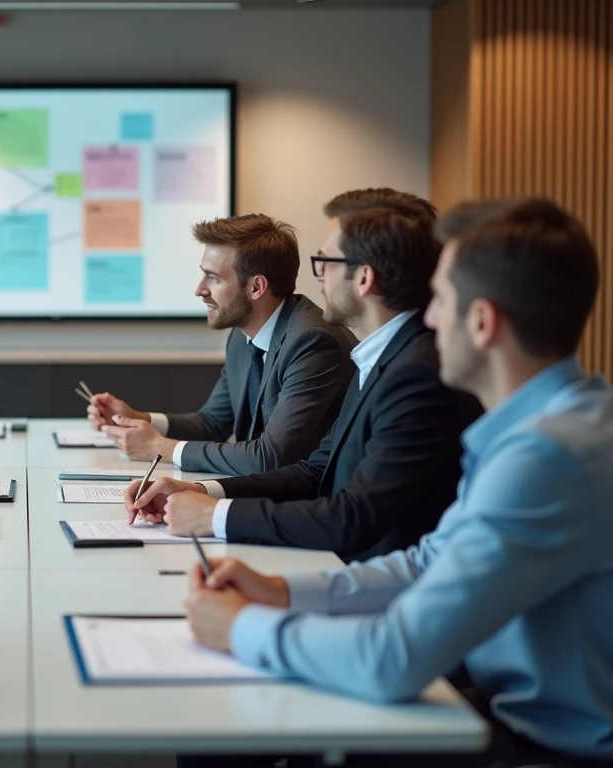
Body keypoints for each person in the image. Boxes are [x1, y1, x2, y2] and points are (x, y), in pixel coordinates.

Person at [183, 198, 613, 766]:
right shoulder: (563, 419)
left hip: (541, 744)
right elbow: (427, 561)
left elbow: (392, 658)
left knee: (239, 722)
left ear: (482, 322)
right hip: (503, 709)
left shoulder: (542, 457)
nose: (428, 320)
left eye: (442, 301)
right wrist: (283, 593)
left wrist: (243, 627)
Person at [127, 189, 479, 563]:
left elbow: (353, 516)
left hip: (376, 581)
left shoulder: (415, 372)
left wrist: (215, 515)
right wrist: (201, 490)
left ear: (363, 277)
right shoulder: (380, 357)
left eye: (325, 261)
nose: (318, 276)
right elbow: (316, 470)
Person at [87, 214, 357, 474]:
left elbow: (270, 457)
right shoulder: (242, 337)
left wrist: (161, 448)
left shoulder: (312, 342)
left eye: (213, 278)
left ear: (256, 287)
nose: (199, 289)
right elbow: (212, 423)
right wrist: (139, 419)